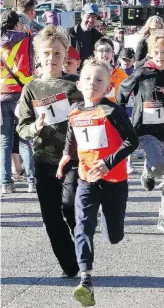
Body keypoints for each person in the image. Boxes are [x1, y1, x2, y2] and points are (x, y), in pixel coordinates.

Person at [56, 58, 138, 306]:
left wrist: (109, 162)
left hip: (114, 180)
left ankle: (109, 225)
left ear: (107, 88)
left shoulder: (112, 111)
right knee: (82, 226)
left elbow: (132, 142)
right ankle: (85, 279)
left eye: (100, 80)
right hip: (86, 179)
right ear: (79, 84)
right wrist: (66, 156)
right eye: (89, 79)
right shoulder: (75, 110)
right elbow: (73, 135)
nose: (93, 83)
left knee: (114, 236)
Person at [16, 25, 83, 277]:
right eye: (46, 53)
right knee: (52, 217)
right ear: (38, 56)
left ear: (65, 55)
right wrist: (36, 126)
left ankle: (83, 250)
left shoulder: (76, 85)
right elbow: (21, 128)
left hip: (73, 159)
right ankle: (70, 266)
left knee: (69, 207)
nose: (51, 58)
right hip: (43, 158)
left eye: (57, 53)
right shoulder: (31, 89)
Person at [117, 30, 164, 233]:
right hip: (145, 130)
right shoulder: (141, 73)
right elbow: (122, 91)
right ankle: (149, 172)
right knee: (157, 164)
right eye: (156, 52)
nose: (160, 56)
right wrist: (119, 115)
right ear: (150, 53)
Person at [1, 10, 35, 194]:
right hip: (22, 93)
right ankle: (31, 181)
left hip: (1, 95)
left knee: (5, 141)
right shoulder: (26, 38)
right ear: (16, 24)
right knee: (24, 138)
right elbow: (30, 63)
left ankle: (6, 183)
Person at [93, 37, 128, 103]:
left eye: (108, 50)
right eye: (101, 50)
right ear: (95, 53)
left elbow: (128, 97)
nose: (104, 53)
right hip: (95, 111)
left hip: (115, 111)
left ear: (113, 54)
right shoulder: (89, 73)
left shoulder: (121, 74)